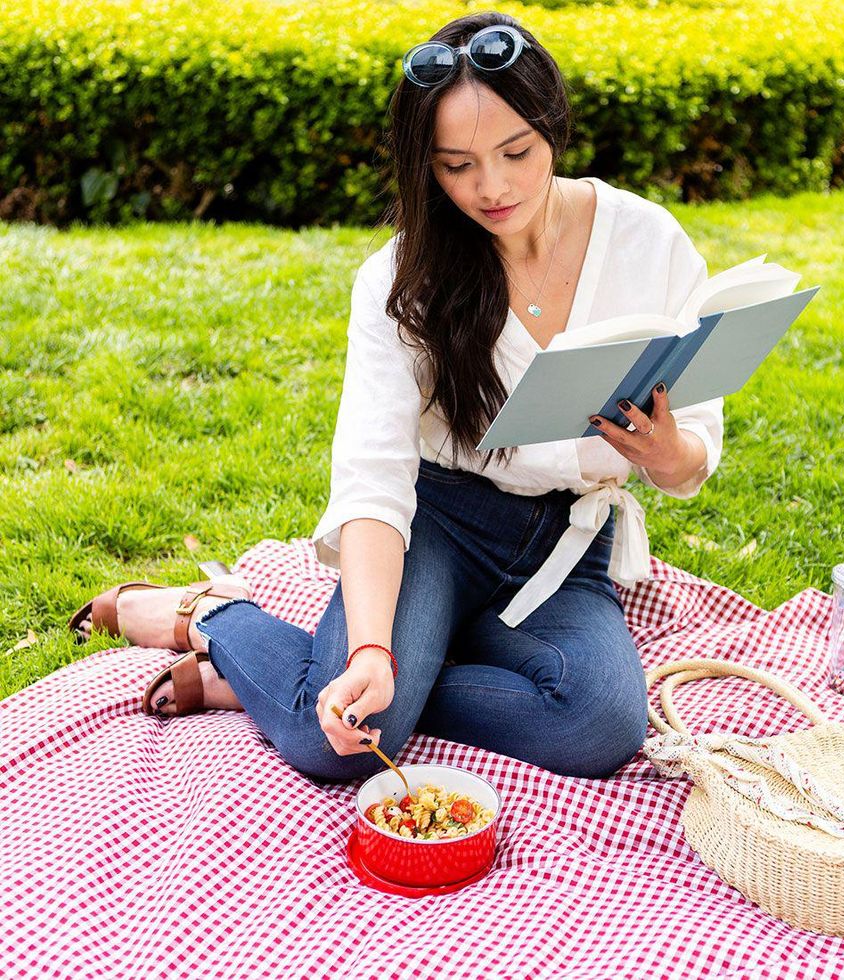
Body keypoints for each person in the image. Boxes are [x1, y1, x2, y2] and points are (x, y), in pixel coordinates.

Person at [69, 12, 723, 782]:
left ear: (552, 125)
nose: (493, 187)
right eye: (456, 165)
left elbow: (688, 465)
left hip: (563, 540)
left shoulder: (647, 242)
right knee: (333, 745)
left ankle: (306, 679)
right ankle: (215, 618)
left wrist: (665, 452)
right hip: (437, 522)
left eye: (517, 152)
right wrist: (375, 652)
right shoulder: (403, 277)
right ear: (427, 167)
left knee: (600, 723)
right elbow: (374, 483)